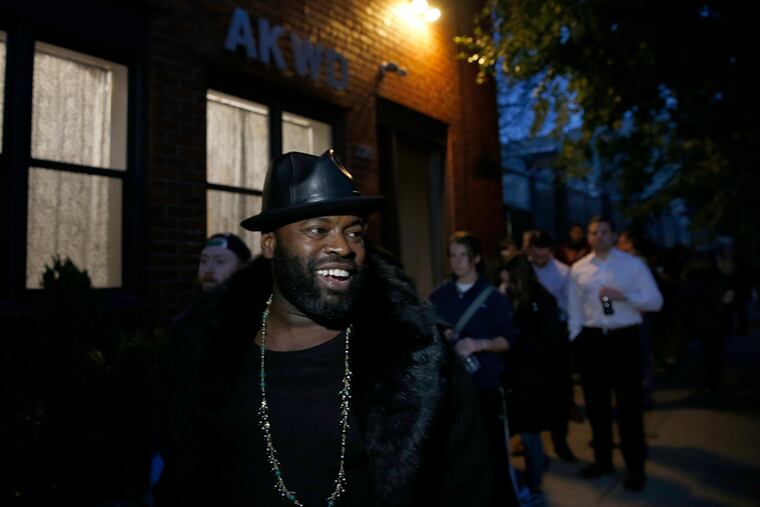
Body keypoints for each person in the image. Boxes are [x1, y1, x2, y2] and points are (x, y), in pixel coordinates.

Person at [156, 150, 494, 506]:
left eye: (355, 233)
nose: (342, 247)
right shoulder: (206, 347)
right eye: (318, 229)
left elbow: (471, 486)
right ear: (270, 244)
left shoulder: (416, 357)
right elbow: (181, 477)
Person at [567, 216, 663, 492]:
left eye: (603, 232)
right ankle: (602, 460)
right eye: (593, 232)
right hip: (593, 339)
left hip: (625, 338)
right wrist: (577, 337)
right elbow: (574, 307)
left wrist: (626, 297)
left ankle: (635, 468)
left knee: (629, 407)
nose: (598, 236)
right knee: (596, 406)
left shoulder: (632, 265)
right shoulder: (579, 269)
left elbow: (656, 301)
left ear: (613, 235)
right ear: (588, 237)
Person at [429, 231, 520, 507]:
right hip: (451, 386)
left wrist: (480, 343)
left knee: (493, 450)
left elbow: (508, 341)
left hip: (485, 384)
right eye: (453, 255)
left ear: (477, 258)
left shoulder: (492, 297)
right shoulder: (440, 294)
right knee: (457, 451)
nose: (457, 262)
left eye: (463, 256)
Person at [499, 255, 562, 504]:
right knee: (523, 431)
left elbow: (547, 341)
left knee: (529, 432)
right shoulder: (514, 298)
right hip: (516, 374)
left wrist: (515, 340)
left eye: (509, 282)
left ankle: (533, 484)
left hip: (532, 376)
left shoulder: (540, 301)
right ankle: (531, 480)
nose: (506, 286)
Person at [526, 230, 579, 462]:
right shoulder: (522, 270)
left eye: (544, 256)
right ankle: (529, 442)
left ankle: (560, 441)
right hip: (527, 339)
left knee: (559, 393)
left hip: (554, 337)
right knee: (530, 393)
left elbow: (570, 307)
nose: (539, 261)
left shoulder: (563, 272)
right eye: (536, 256)